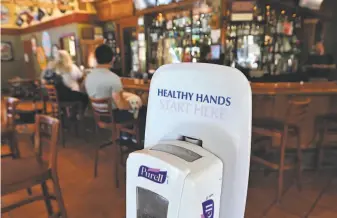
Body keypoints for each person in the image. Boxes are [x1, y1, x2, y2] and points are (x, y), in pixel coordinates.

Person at [85, 44, 146, 141]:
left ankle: (125, 136)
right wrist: (136, 104)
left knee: (130, 108)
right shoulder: (113, 78)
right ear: (112, 59)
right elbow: (121, 105)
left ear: (96, 58)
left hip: (98, 115)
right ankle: (137, 139)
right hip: (113, 117)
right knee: (142, 110)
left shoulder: (88, 77)